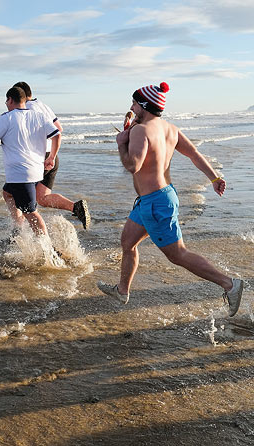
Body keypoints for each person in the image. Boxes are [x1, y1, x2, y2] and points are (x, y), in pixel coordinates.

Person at [96, 82, 244, 316]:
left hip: (155, 203)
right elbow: (194, 154)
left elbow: (132, 165)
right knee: (128, 242)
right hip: (157, 198)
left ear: (144, 105)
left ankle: (229, 284)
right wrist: (214, 178)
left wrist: (121, 144)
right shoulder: (169, 129)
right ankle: (122, 290)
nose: (131, 107)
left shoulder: (140, 131)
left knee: (177, 254)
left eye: (134, 102)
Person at [0, 86, 61, 236]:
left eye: (6, 101)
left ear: (10, 100)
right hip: (35, 170)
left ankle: (47, 248)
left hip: (20, 173)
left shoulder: (7, 117)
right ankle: (18, 227)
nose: (6, 104)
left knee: (30, 212)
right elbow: (57, 134)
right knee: (7, 193)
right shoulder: (39, 116)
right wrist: (51, 157)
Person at [13, 81, 91, 229]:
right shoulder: (42, 104)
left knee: (14, 192)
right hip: (52, 155)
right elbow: (59, 128)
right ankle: (76, 207)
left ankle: (20, 230)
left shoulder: (28, 108)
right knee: (42, 198)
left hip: (40, 157)